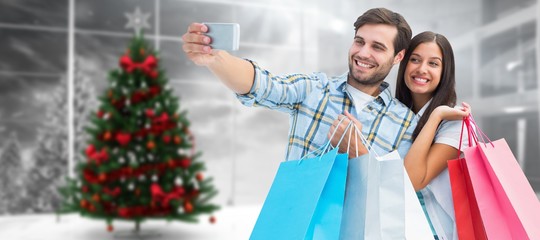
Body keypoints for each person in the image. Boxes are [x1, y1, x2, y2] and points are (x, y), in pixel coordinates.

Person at [182, 8, 417, 161]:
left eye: (377, 47)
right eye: (359, 42)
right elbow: (262, 85)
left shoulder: (406, 123)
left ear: (398, 57)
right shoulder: (314, 88)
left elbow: (400, 193)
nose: (363, 53)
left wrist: (359, 152)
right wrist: (216, 59)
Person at [396, 31, 471, 240]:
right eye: (415, 60)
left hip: (437, 232)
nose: (422, 69)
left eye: (433, 63)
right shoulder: (393, 115)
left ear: (445, 72)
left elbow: (414, 180)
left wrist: (436, 115)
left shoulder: (453, 124)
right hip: (397, 227)